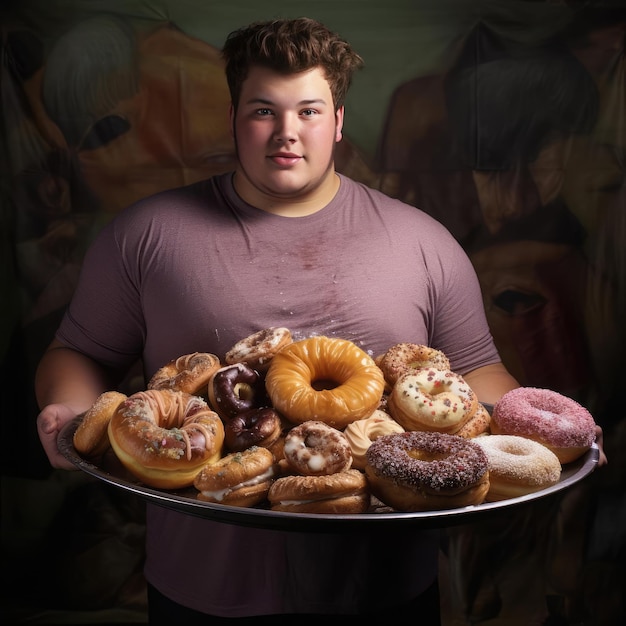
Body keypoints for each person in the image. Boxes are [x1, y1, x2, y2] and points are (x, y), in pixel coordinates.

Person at [35, 17, 603, 623]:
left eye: (308, 111)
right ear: (233, 116)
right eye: (263, 111)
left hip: (386, 585)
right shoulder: (146, 235)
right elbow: (79, 351)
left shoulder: (422, 242)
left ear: (337, 121)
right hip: (201, 584)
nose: (287, 133)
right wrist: (66, 408)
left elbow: (475, 376)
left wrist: (548, 437)